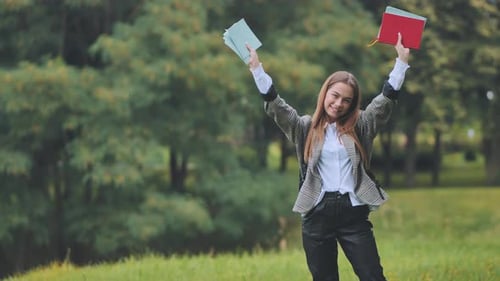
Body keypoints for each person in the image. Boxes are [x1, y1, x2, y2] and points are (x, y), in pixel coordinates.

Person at [245, 33, 410, 281]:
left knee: (373, 276)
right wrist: (257, 69)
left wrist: (401, 62)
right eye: (335, 96)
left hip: (352, 213)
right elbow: (277, 108)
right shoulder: (305, 127)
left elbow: (384, 101)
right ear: (325, 94)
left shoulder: (362, 125)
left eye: (347, 100)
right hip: (317, 213)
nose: (339, 103)